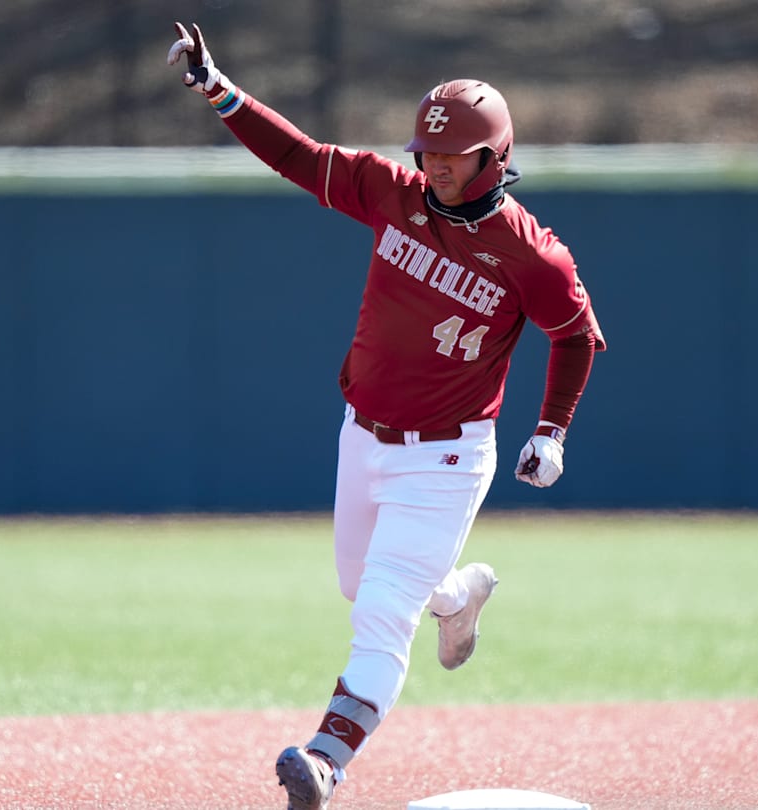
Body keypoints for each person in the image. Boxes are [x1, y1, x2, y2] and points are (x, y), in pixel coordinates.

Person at [168, 22, 606, 810]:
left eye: (453, 155)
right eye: (428, 153)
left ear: (494, 158)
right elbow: (300, 158)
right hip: (362, 434)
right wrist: (218, 89)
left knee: (379, 613)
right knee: (358, 583)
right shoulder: (394, 193)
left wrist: (552, 430)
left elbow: (576, 336)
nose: (434, 166)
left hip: (445, 455)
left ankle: (326, 762)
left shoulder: (531, 254)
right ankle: (458, 597)